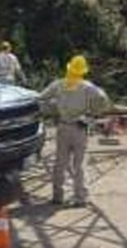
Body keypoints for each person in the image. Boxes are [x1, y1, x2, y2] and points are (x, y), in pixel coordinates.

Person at [38, 55, 111, 207]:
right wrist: (93, 112)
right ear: (82, 71)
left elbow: (41, 99)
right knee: (79, 164)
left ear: (69, 68)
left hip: (63, 127)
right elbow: (103, 99)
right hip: (80, 127)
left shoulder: (58, 84)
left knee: (60, 163)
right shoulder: (87, 86)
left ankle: (58, 196)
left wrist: (52, 109)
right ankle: (80, 198)